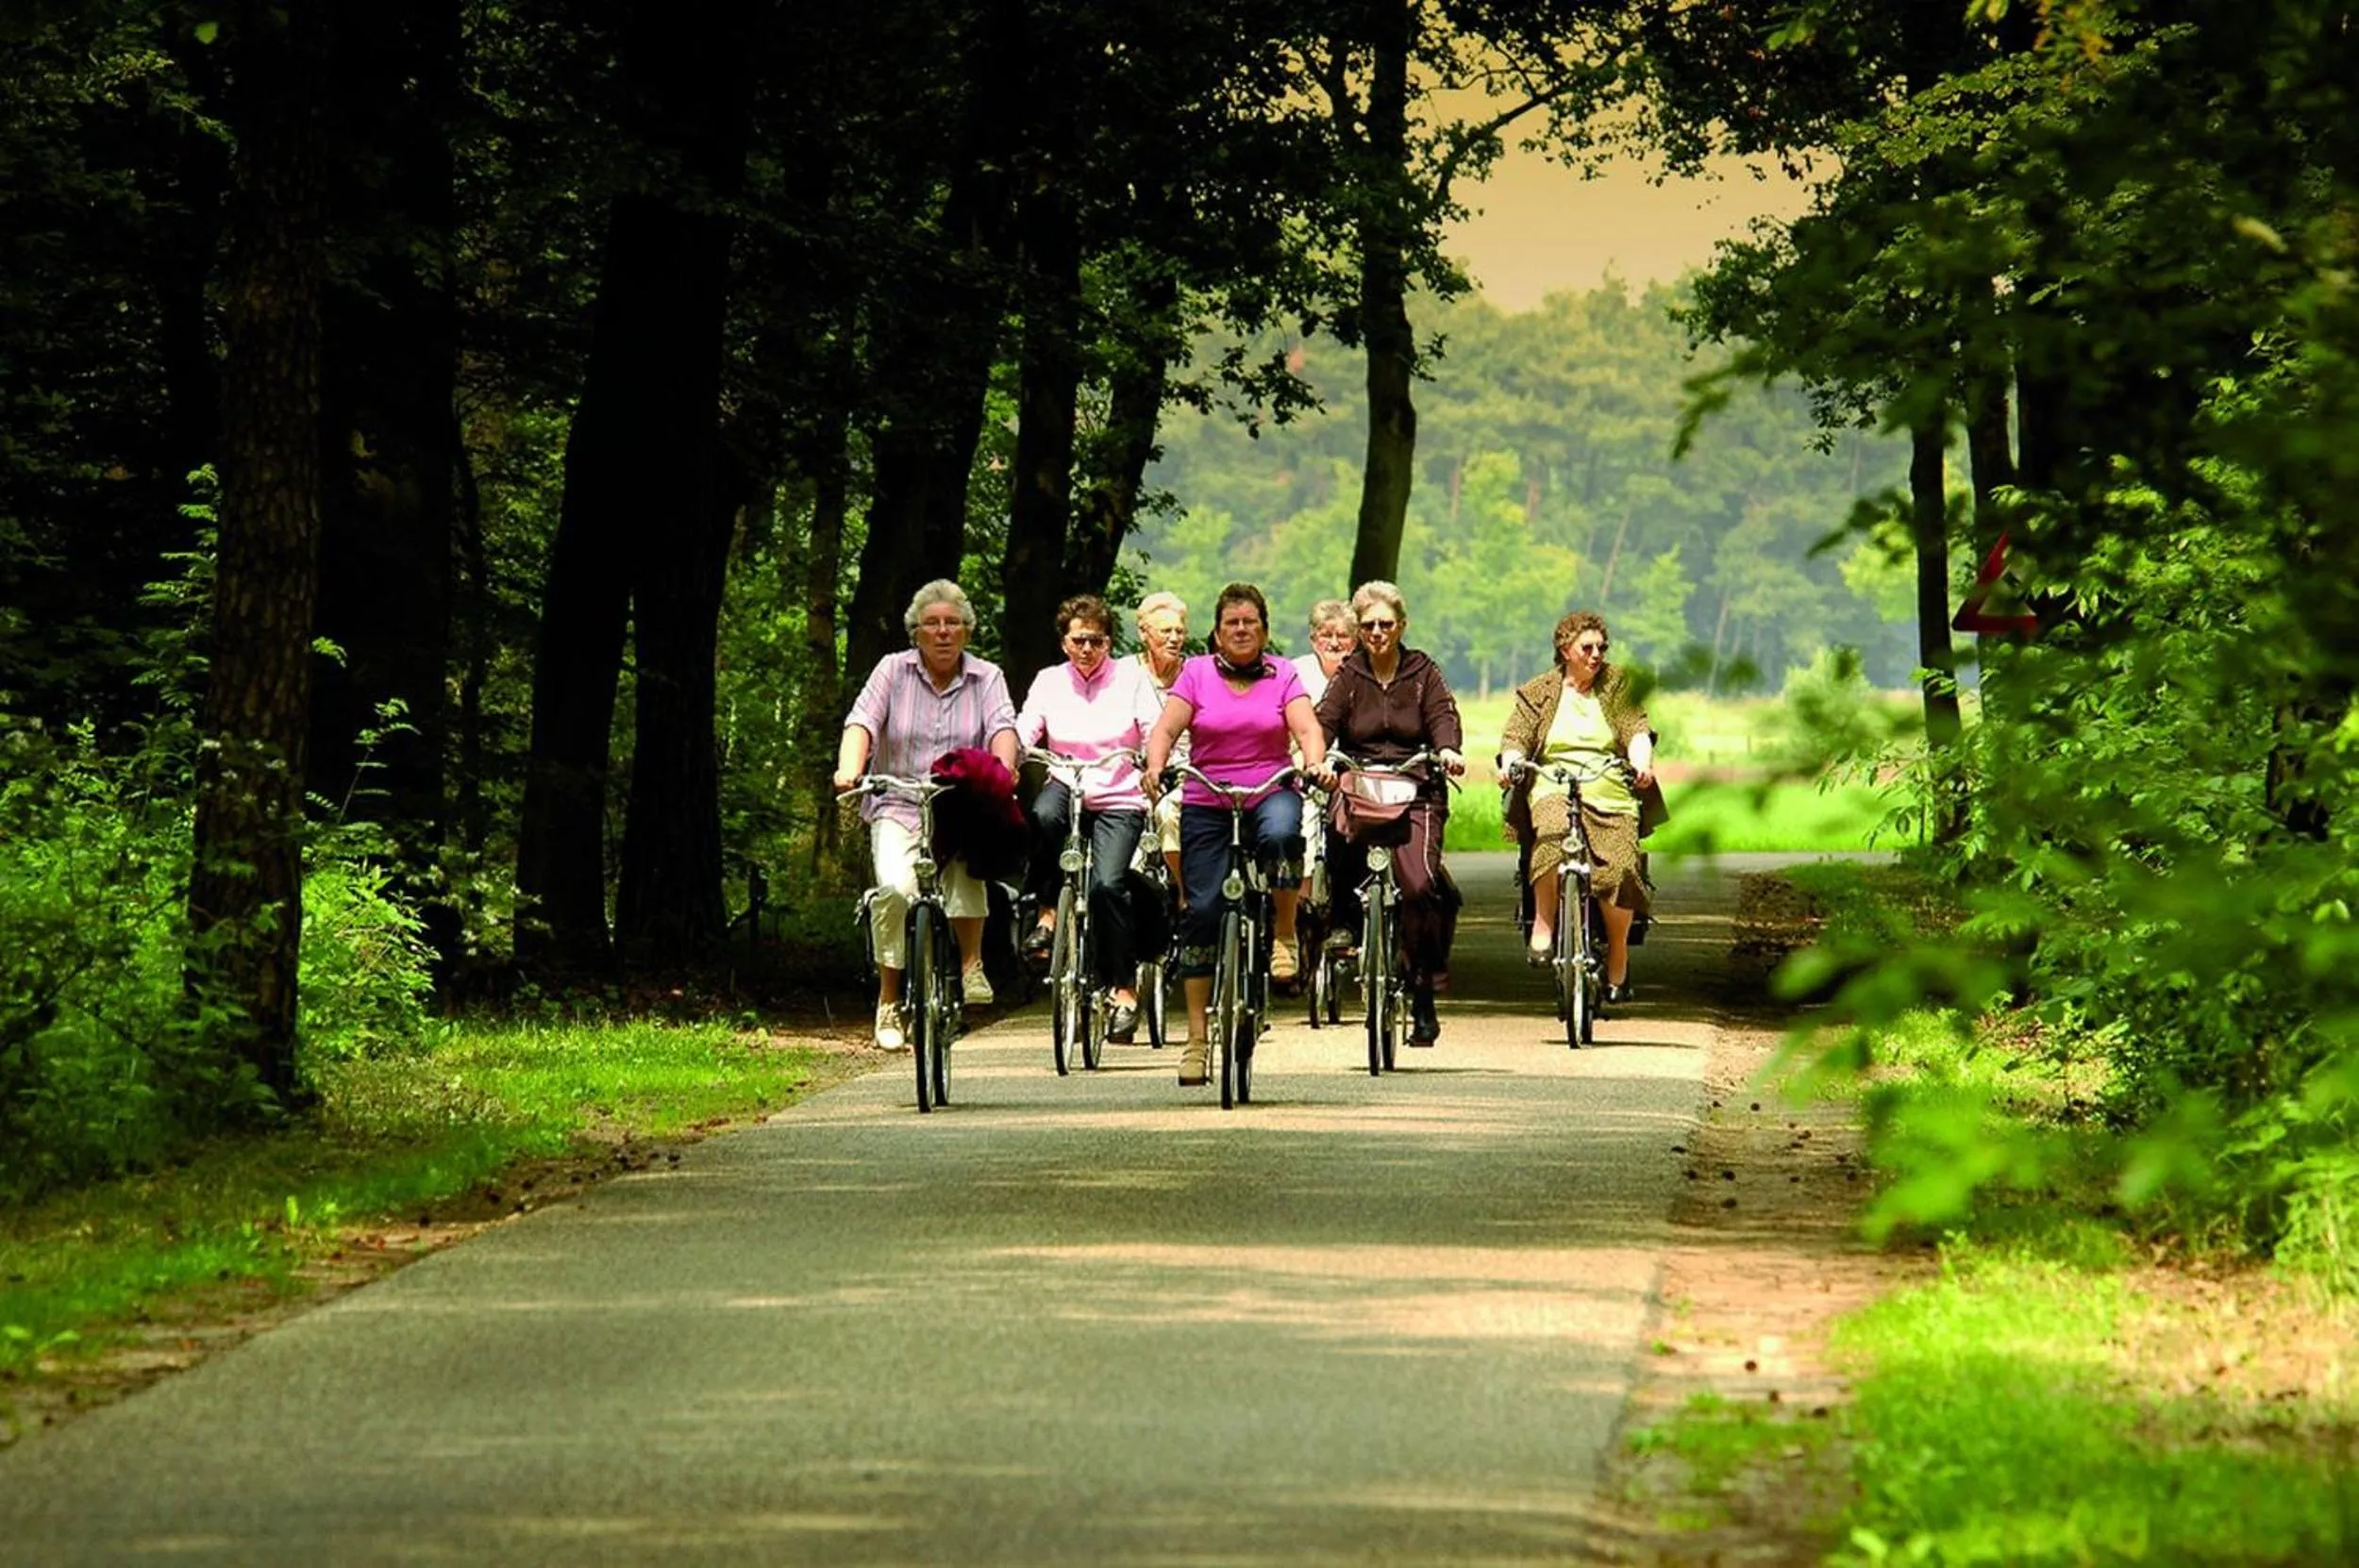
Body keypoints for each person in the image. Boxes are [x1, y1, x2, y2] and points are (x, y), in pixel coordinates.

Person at [1142, 582, 1326, 1087]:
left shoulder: (1282, 673)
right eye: (1231, 624)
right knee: (1201, 912)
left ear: (1264, 630)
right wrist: (1156, 767)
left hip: (1270, 788)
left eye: (1250, 622)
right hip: (1208, 797)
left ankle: (1284, 935)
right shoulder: (1197, 673)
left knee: (1286, 833)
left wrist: (1314, 764)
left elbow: (1308, 730)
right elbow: (1164, 730)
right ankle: (1197, 1040)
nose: (1241, 630)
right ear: (1217, 633)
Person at [835, 579, 1021, 1050]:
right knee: (895, 891)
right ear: (915, 631)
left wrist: (1003, 770)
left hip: (957, 803)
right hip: (897, 801)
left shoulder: (987, 677)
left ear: (967, 632)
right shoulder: (891, 671)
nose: (943, 632)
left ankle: (970, 965)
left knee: (965, 869)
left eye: (952, 623)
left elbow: (1002, 727)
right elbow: (862, 721)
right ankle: (890, 999)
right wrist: (849, 769)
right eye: (932, 624)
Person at [1313, 580, 1465, 1044]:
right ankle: (1343, 922)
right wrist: (1316, 758)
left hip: (1415, 785)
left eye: (1385, 624)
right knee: (1335, 832)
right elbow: (1323, 721)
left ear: (1401, 626)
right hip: (1359, 784)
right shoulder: (1349, 674)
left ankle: (1422, 993)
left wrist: (1448, 751)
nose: (1377, 632)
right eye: (1368, 625)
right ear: (1358, 630)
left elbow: (1443, 716)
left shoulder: (1423, 671)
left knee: (1419, 884)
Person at [1497, 610, 1667, 1004]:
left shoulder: (1617, 685)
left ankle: (1618, 954)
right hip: (1553, 781)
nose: (1596, 655)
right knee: (1552, 837)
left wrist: (1642, 763)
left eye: (1601, 648)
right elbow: (1515, 738)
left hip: (1607, 781)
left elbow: (1637, 730)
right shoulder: (1538, 690)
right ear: (1565, 649)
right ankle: (1543, 924)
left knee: (1620, 868)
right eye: (1587, 648)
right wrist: (1511, 763)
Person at [1014, 593, 1163, 1041]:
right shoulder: (1048, 681)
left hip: (1119, 792)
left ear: (1109, 642)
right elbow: (1026, 728)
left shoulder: (1132, 679)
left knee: (1106, 886)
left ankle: (1122, 989)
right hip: (1068, 781)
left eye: (1096, 641)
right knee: (1042, 817)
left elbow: (1156, 730)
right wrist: (1010, 757)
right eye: (1079, 640)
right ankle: (1046, 912)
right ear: (1064, 642)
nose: (1087, 650)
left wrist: (1154, 765)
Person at [1133, 592, 1190, 892]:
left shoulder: (1194, 674)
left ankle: (1183, 891)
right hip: (1132, 771)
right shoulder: (1125, 674)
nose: (1173, 638)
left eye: (1179, 631)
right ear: (1144, 633)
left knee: (1172, 812)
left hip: (1186, 770)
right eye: (1165, 631)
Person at [1290, 598, 1355, 705]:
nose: (1334, 643)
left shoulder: (1364, 674)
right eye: (1327, 635)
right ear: (1313, 640)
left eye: (1342, 636)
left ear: (1354, 642)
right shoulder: (1295, 673)